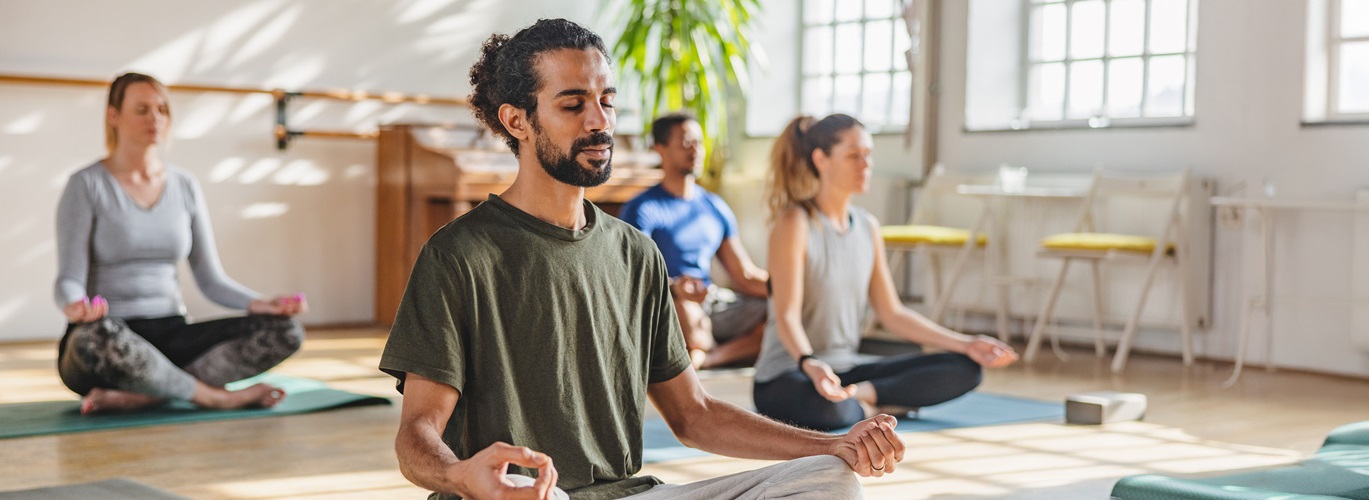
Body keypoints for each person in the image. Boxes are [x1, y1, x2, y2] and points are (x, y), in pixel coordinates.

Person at [380, 19, 903, 500]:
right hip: (523, 498)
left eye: (606, 100)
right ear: (517, 120)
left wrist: (834, 443)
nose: (599, 121)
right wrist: (460, 475)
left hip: (629, 493)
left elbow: (693, 415)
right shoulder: (458, 255)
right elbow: (417, 433)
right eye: (573, 105)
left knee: (827, 479)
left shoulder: (636, 253)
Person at [54, 72, 308, 415]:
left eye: (162, 109)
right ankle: (216, 397)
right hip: (109, 338)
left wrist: (262, 304)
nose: (155, 118)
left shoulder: (185, 185)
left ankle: (149, 394)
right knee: (91, 337)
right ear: (113, 116)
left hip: (171, 334)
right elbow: (68, 278)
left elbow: (210, 280)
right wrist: (75, 305)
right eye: (142, 109)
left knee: (285, 331)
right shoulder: (86, 185)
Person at [752, 114, 1021, 431]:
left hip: (846, 371)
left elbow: (891, 313)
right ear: (821, 159)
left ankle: (864, 399)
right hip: (790, 374)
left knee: (965, 368)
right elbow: (786, 316)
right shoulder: (794, 223)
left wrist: (964, 343)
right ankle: (877, 404)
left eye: (868, 155)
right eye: (854, 156)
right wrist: (810, 363)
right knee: (827, 410)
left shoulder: (867, 227)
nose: (865, 165)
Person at [618, 112, 769, 370]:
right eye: (686, 142)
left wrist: (791, 289)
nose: (696, 150)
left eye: (699, 142)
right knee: (686, 308)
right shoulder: (642, 208)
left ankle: (708, 358)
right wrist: (676, 287)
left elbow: (743, 274)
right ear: (660, 149)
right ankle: (698, 352)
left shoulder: (715, 206)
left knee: (780, 312)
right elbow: (634, 273)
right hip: (672, 300)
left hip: (712, 301)